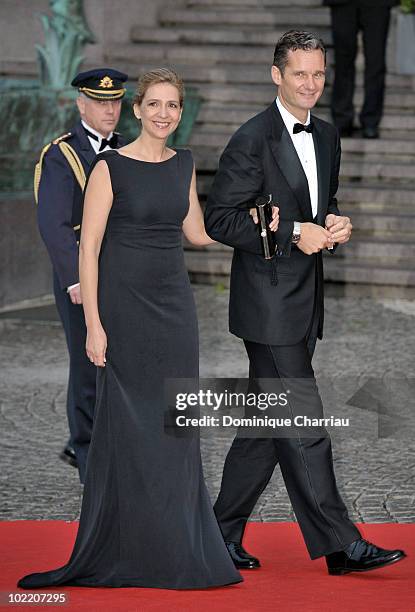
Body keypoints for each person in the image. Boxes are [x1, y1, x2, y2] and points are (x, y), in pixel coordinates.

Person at [18, 68, 244, 590]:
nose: (165, 114)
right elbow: (88, 249)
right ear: (137, 109)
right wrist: (94, 325)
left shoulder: (184, 164)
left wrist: (262, 221)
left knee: (174, 428)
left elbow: (198, 232)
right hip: (123, 309)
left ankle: (175, 544)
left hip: (175, 311)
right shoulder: (107, 167)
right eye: (156, 104)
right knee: (125, 429)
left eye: (174, 106)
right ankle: (123, 545)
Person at [204, 30, 406, 576]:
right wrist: (294, 231)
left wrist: (333, 223)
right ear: (277, 75)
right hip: (266, 308)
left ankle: (216, 532)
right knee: (303, 419)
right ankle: (342, 543)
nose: (311, 84)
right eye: (300, 74)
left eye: (318, 74)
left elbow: (323, 199)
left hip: (302, 302)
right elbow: (219, 220)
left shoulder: (328, 133)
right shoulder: (251, 138)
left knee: (266, 427)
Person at [35, 68, 128, 482]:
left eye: (115, 101)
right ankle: (87, 452)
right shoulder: (62, 155)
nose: (110, 110)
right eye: (100, 102)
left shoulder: (127, 148)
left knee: (122, 361)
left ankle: (117, 446)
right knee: (89, 364)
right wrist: (75, 278)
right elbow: (53, 223)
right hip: (80, 277)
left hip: (123, 273)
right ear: (81, 104)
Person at [323, 0, 399, 138]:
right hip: (343, 4)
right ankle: (342, 118)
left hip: (377, 4)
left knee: (375, 60)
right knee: (343, 61)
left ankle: (370, 121)